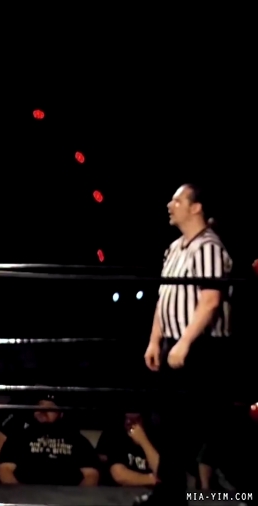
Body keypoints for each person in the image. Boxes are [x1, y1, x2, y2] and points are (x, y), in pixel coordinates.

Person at [138, 184, 238, 505]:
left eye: (178, 200)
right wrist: (155, 340)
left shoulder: (209, 248)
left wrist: (184, 343)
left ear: (196, 208)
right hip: (175, 342)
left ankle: (172, 494)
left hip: (202, 347)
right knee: (166, 421)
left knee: (187, 424)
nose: (170, 204)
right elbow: (164, 296)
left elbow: (210, 301)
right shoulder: (174, 248)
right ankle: (171, 494)